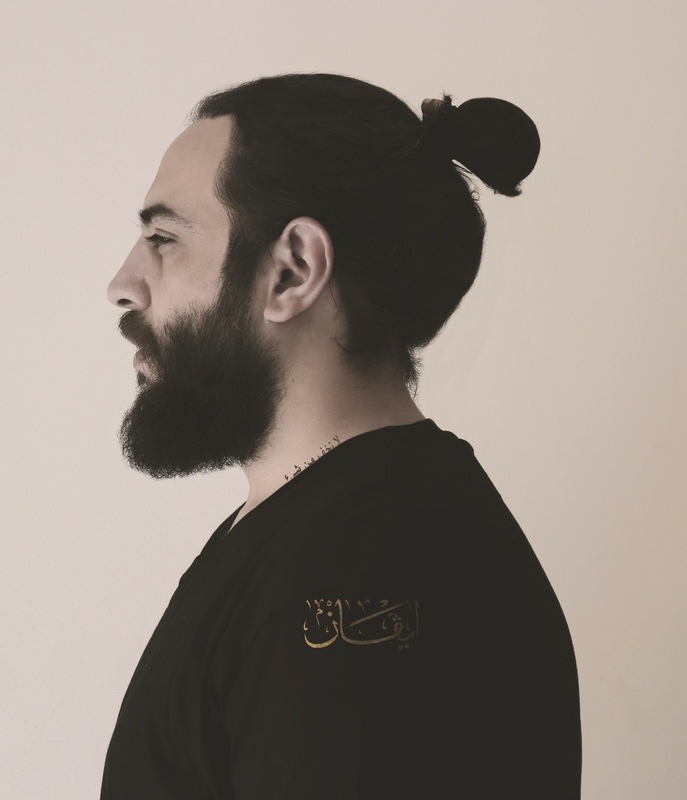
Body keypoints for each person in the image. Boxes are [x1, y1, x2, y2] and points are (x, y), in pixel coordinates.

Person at [101, 72, 581, 799]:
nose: (123, 283)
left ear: (293, 270)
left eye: (163, 238)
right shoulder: (325, 525)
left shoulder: (365, 566)